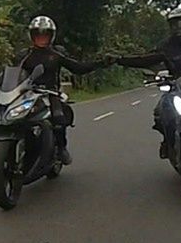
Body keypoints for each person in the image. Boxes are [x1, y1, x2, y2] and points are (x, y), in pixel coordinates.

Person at [116, 7, 181, 160]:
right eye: (174, 23)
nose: (179, 26)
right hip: (176, 86)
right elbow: (145, 59)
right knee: (159, 112)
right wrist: (120, 59)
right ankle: (167, 141)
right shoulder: (166, 45)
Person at [16, 16, 113, 165]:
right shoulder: (24, 55)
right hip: (26, 93)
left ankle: (61, 148)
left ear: (51, 36)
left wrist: (100, 63)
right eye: (38, 35)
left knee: (59, 119)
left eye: (45, 35)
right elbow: (11, 72)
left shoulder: (56, 55)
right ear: (32, 36)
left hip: (50, 92)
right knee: (12, 118)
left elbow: (78, 68)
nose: (41, 38)